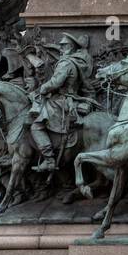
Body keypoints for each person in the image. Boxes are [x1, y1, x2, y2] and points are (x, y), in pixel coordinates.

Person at [28, 33, 94, 173]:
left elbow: (56, 82)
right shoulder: (78, 62)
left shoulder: (66, 63)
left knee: (36, 125)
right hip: (72, 98)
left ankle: (49, 160)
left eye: (63, 46)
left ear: (70, 47)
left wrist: (42, 89)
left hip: (61, 101)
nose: (61, 48)